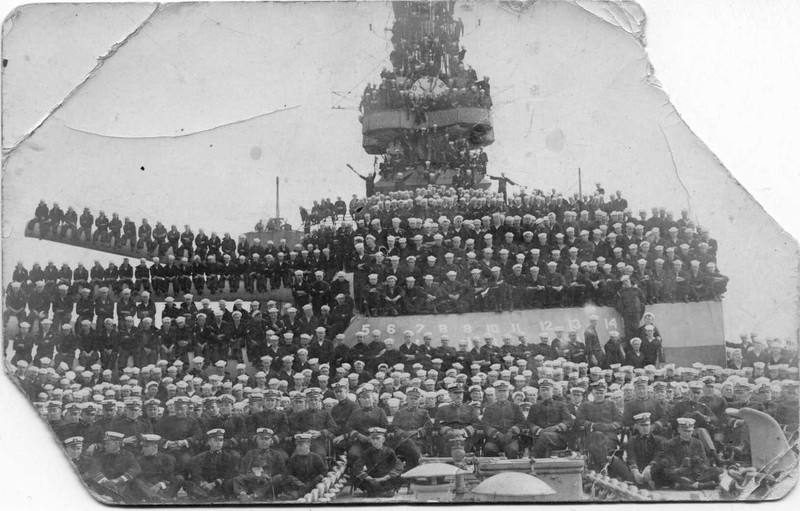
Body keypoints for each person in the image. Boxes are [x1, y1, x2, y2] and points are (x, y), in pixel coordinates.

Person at [86, 431, 142, 501]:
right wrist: (105, 480)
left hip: (122, 485)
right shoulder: (103, 456)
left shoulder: (127, 455)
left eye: (108, 443)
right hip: (104, 485)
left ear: (117, 443)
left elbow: (135, 469)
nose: (105, 446)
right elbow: (95, 469)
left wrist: (118, 480)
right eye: (105, 444)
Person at [234, 428, 286, 502]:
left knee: (279, 478)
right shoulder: (250, 453)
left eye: (266, 439)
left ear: (271, 441)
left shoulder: (276, 454)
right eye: (261, 439)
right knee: (237, 478)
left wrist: (269, 477)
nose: (264, 441)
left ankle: (256, 495)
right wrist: (254, 477)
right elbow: (243, 470)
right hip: (253, 481)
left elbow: (282, 471)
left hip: (268, 483)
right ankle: (243, 494)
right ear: (257, 440)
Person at [186, 428, 239, 500]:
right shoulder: (200, 457)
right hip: (206, 486)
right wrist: (205, 484)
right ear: (209, 442)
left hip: (220, 485)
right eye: (216, 440)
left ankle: (209, 496)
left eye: (221, 440)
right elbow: (197, 474)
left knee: (232, 481)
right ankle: (211, 496)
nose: (219, 443)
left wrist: (215, 483)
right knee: (188, 483)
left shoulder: (228, 457)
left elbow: (229, 474)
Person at [352, 427, 404, 497]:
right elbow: (357, 466)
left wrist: (385, 478)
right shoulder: (367, 452)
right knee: (363, 482)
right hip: (372, 479)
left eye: (378, 438)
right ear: (370, 440)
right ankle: (381, 491)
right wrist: (368, 478)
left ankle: (382, 491)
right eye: (373, 439)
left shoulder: (389, 451)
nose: (375, 441)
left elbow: (398, 466)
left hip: (386, 478)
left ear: (383, 439)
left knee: (395, 480)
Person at [133, 434, 185, 502]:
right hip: (148, 487)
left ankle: (163, 497)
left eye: (146, 446)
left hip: (163, 487)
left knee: (179, 478)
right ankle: (158, 498)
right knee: (136, 482)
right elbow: (140, 476)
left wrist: (161, 484)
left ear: (155, 447)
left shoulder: (167, 458)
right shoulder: (139, 460)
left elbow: (170, 476)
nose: (143, 449)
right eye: (143, 447)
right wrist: (150, 486)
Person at [284, 433, 327, 499]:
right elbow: (287, 474)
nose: (298, 447)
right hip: (297, 487)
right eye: (297, 445)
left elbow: (323, 473)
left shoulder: (316, 457)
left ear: (308, 444)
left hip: (312, 487)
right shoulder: (293, 459)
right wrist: (300, 484)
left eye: (301, 445)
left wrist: (309, 485)